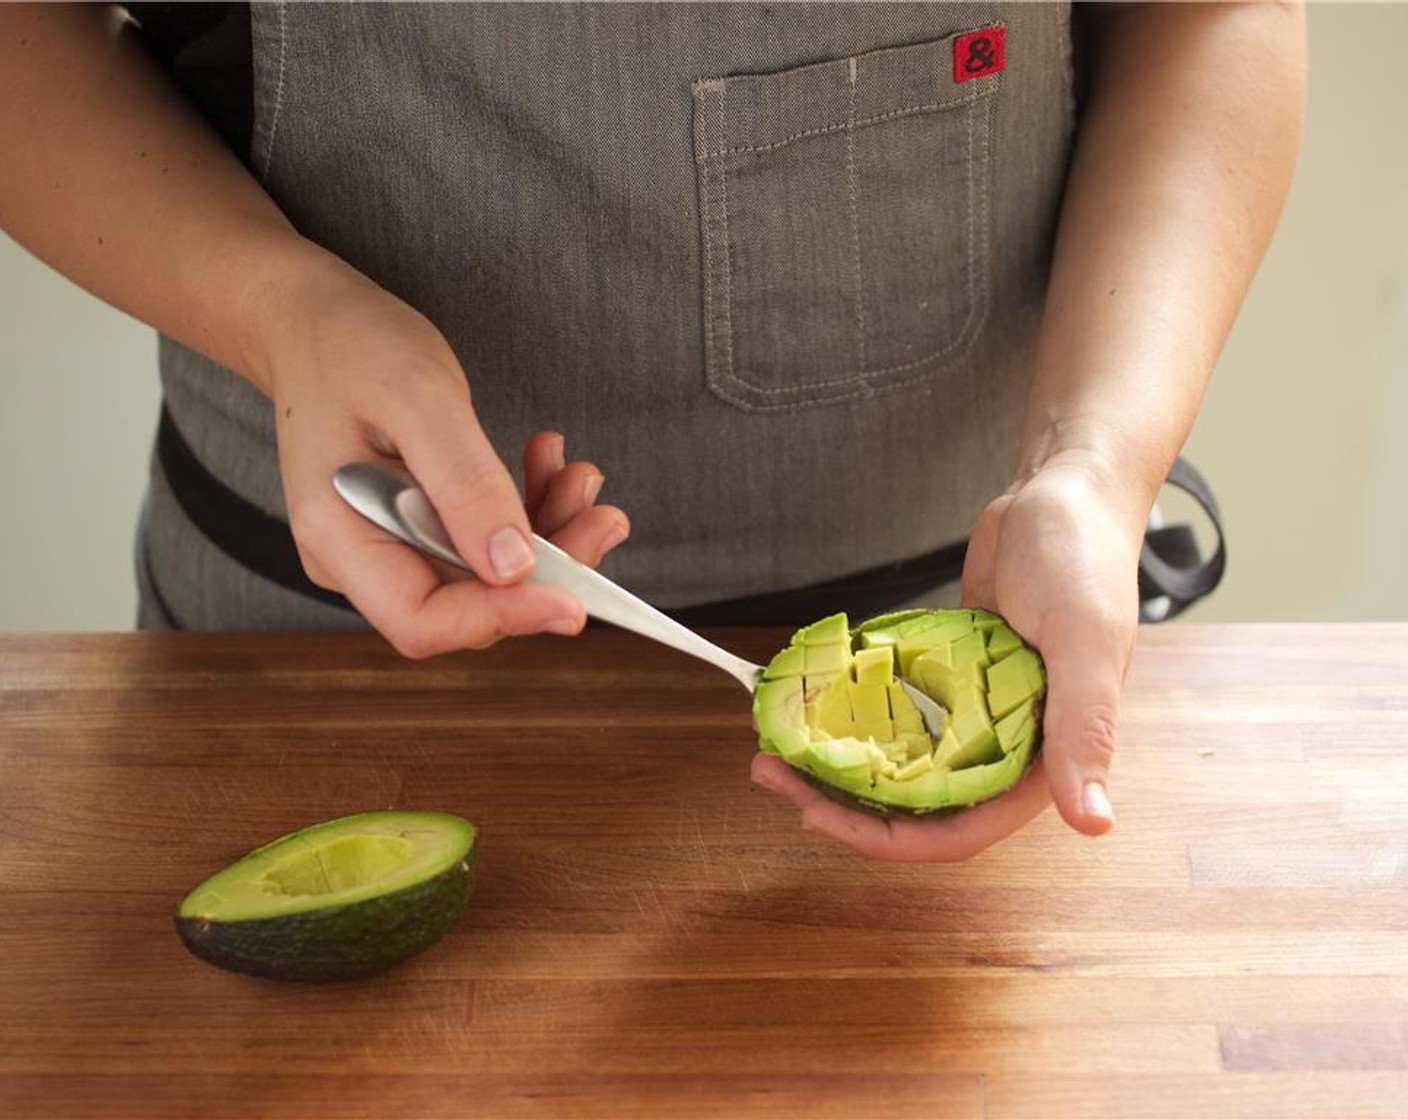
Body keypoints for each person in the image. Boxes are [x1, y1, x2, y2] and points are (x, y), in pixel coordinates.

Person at [0, 3, 1306, 861]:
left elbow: (1213, 14)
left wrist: (1090, 465)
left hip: (974, 593)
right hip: (306, 660)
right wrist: (278, 309)